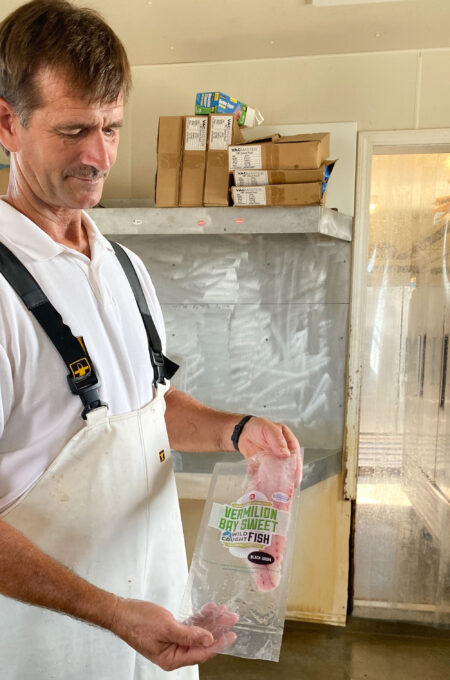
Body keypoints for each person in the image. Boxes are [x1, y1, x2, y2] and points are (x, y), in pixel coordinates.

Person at [0, 2, 301, 678]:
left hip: (157, 634)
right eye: (74, 130)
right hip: (42, 652)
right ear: (6, 124)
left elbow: (144, 411)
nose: (99, 156)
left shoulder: (123, 267)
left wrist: (238, 430)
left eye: (110, 128)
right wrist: (111, 612)